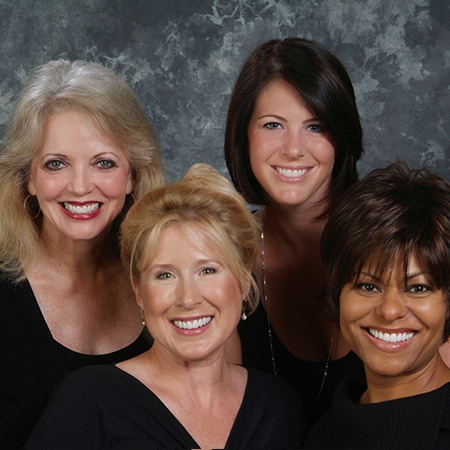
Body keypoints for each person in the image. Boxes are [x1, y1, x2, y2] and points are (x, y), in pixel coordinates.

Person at [26, 163, 306, 449]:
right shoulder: (88, 400)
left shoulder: (278, 407)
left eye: (208, 271)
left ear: (244, 281)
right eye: (165, 275)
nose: (187, 298)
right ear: (138, 291)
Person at [0, 59, 165, 448]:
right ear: (28, 178)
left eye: (103, 163)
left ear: (133, 176)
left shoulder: (166, 282)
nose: (79, 186)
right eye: (56, 164)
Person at [224, 37, 365, 428]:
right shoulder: (220, 252)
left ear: (341, 135)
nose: (293, 149)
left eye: (315, 126)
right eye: (273, 125)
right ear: (244, 135)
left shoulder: (396, 242)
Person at [304, 162, 450, 449]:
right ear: (338, 294)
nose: (390, 310)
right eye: (368, 286)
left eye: (417, 288)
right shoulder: (324, 437)